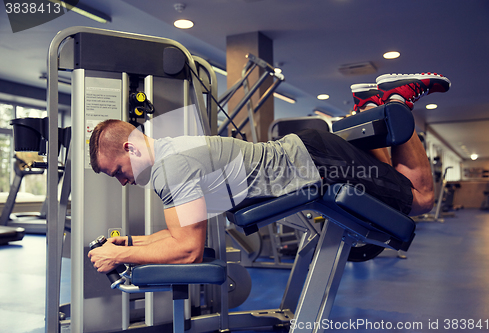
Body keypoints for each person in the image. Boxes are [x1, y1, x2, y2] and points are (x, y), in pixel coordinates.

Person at [88, 72, 450, 273]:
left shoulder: (171, 168)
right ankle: (371, 103)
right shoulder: (169, 154)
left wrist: (117, 256)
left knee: (419, 199)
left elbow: (188, 250)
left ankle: (398, 98)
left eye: (117, 171)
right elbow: (178, 233)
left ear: (130, 148)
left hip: (317, 163)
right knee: (386, 177)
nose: (122, 181)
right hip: (313, 156)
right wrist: (131, 244)